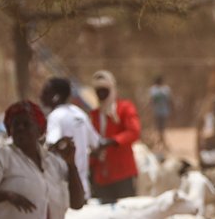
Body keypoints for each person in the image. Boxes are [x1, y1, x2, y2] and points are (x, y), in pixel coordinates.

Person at [40, 76, 99, 198]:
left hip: (65, 190)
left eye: (46, 92)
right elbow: (96, 143)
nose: (41, 96)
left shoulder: (56, 117)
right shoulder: (80, 114)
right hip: (83, 188)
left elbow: (52, 145)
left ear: (55, 96)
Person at [87, 70, 140, 203]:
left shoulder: (124, 109)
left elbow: (134, 131)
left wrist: (113, 141)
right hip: (101, 175)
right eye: (98, 90)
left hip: (122, 173)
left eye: (104, 90)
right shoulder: (94, 115)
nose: (101, 94)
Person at [148, 75, 172, 152]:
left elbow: (169, 100)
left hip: (164, 112)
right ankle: (162, 143)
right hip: (157, 112)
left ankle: (162, 143)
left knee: (162, 129)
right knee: (158, 129)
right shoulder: (153, 90)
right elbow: (152, 100)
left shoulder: (165, 89)